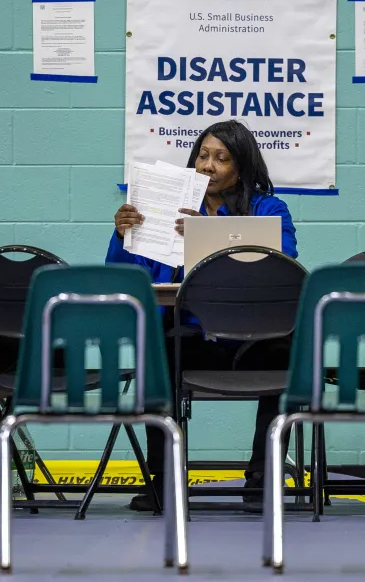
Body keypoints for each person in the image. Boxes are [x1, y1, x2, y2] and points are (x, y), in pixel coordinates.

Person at [106, 120, 298, 511]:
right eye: (203, 155)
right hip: (195, 339)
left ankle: (262, 479)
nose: (208, 165)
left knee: (290, 350)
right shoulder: (167, 208)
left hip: (255, 341)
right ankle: (164, 480)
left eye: (221, 158)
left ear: (241, 167)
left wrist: (205, 230)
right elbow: (128, 277)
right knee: (156, 351)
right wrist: (122, 234)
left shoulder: (269, 208)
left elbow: (284, 257)